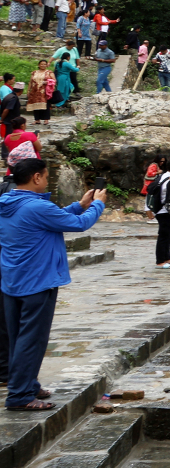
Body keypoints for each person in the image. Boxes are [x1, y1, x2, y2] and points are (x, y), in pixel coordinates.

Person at [0, 159, 105, 410]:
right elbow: (79, 225)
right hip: (38, 280)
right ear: (36, 178)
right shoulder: (36, 207)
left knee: (17, 337)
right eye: (46, 176)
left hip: (12, 280)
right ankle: (20, 395)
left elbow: (54, 219)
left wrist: (79, 205)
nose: (46, 180)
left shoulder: (7, 203)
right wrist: (98, 205)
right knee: (32, 339)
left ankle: (27, 384)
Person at [145, 157, 170, 267]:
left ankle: (166, 257)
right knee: (164, 235)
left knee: (167, 233)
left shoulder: (162, 176)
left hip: (161, 209)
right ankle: (160, 260)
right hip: (163, 210)